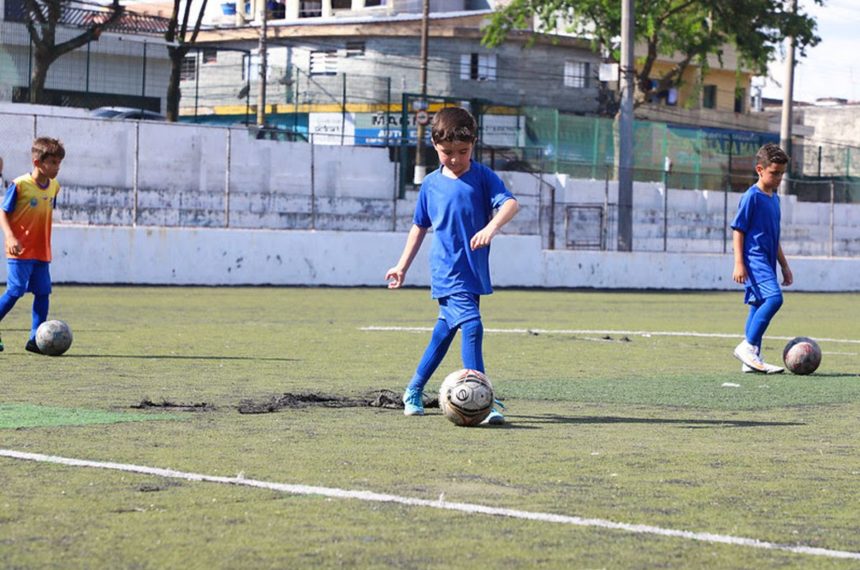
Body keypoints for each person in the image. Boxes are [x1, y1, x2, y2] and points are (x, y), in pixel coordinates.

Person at [385, 107, 519, 424]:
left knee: (443, 333)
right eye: (448, 152)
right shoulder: (430, 185)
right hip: (447, 270)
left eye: (463, 151)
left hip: (473, 271)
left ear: (473, 145)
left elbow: (510, 203)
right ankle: (484, 400)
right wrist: (401, 265)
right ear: (435, 146)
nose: (456, 158)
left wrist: (490, 228)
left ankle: (413, 390)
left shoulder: (484, 177)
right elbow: (420, 226)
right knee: (472, 326)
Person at [731, 143, 793, 374]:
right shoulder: (752, 197)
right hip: (753, 259)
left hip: (767, 260)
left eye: (781, 174)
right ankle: (747, 346)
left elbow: (774, 237)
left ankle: (751, 358)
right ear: (760, 169)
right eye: (774, 173)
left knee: (757, 304)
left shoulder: (774, 199)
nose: (778, 178)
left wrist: (784, 265)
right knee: (775, 299)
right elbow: (738, 229)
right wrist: (739, 263)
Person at [0, 137, 65, 354]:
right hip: (19, 250)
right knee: (16, 290)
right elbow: (3, 212)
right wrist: (10, 237)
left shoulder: (54, 186)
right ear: (37, 163)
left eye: (59, 163)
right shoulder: (20, 185)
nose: (57, 167)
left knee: (43, 292)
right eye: (53, 162)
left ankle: (35, 338)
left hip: (42, 251)